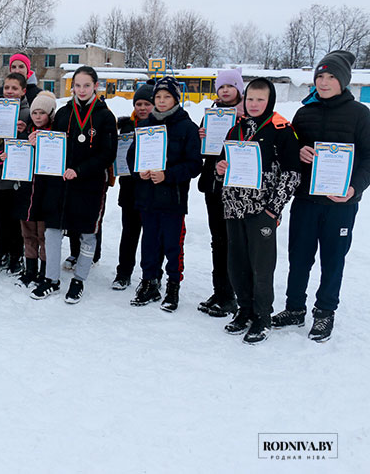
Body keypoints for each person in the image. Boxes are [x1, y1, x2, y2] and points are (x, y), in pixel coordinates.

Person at [272, 50, 370, 342]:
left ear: (343, 81)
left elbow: (368, 158)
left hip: (341, 204)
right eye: (320, 76)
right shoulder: (305, 113)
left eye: (331, 77)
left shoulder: (360, 114)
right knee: (299, 257)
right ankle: (294, 308)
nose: (324, 82)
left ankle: (325, 312)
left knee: (332, 259)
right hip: (305, 200)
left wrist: (355, 188)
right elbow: (291, 150)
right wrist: (299, 151)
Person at [214, 78, 301, 344]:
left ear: (270, 101)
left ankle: (262, 316)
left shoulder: (281, 129)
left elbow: (292, 174)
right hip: (234, 208)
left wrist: (273, 210)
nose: (254, 104)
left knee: (261, 266)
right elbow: (222, 164)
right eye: (250, 99)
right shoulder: (235, 130)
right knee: (236, 262)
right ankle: (245, 310)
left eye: (260, 99)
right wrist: (219, 170)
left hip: (262, 210)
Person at [30, 66, 117, 303]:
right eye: (77, 85)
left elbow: (108, 154)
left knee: (87, 233)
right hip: (61, 183)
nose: (81, 90)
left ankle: (79, 280)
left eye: (86, 85)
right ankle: (52, 280)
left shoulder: (104, 115)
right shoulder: (64, 113)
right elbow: (54, 144)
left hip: (89, 183)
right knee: (53, 229)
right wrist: (39, 138)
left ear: (95, 86)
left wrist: (79, 170)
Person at [127, 76, 202, 311]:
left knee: (172, 245)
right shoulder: (145, 125)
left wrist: (167, 175)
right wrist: (139, 171)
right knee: (149, 243)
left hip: (173, 199)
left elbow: (194, 164)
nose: (161, 101)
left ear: (175, 99)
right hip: (147, 196)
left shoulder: (186, 127)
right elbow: (132, 156)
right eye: (158, 97)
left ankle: (173, 286)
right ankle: (149, 282)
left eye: (166, 96)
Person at [197, 68, 245, 318]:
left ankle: (232, 296)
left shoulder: (247, 115)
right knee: (218, 241)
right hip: (213, 186)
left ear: (239, 88)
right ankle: (221, 291)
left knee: (233, 242)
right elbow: (206, 151)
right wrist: (201, 137)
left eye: (230, 86)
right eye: (221, 87)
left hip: (236, 188)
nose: (225, 90)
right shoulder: (212, 114)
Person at [0, 72, 31, 276]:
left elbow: (35, 142)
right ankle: (0, 252)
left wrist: (24, 130)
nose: (10, 92)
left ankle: (16, 255)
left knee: (15, 219)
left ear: (23, 91)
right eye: (7, 88)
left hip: (17, 176)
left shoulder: (29, 113)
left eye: (14, 88)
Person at [112, 80, 154, 290]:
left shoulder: (160, 127)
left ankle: (152, 276)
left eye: (147, 103)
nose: (143, 108)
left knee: (152, 236)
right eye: (139, 104)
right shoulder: (127, 126)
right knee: (129, 233)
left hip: (152, 189)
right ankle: (123, 273)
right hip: (128, 188)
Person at [14, 90, 56, 288]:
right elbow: (13, 153)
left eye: (42, 113)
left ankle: (45, 271)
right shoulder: (25, 132)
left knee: (44, 234)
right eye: (34, 113)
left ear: (50, 114)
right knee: (28, 233)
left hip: (45, 193)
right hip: (26, 192)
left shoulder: (56, 136)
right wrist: (5, 159)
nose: (37, 117)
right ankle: (29, 268)